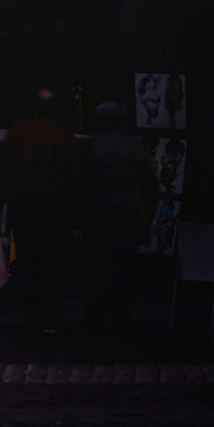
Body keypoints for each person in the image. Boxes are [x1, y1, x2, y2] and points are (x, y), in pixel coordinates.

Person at [0, 88, 81, 334]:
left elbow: (3, 175)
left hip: (24, 207)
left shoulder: (19, 133)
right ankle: (50, 315)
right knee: (52, 262)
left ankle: (32, 314)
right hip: (56, 211)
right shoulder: (65, 138)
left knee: (28, 259)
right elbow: (75, 182)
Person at [83, 100, 159, 332]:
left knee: (98, 267)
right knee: (124, 266)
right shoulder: (135, 149)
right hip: (128, 215)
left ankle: (96, 316)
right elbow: (151, 186)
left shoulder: (90, 148)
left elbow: (77, 184)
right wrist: (147, 215)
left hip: (98, 216)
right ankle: (121, 315)